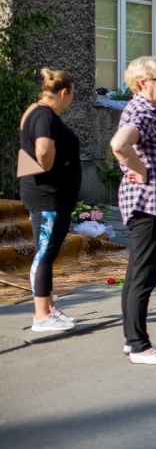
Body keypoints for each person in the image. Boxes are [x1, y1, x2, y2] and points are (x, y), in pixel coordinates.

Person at [110, 56, 156, 365]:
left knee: (138, 272)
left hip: (150, 204)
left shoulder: (144, 111)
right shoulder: (142, 112)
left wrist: (138, 168)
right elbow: (119, 144)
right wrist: (141, 170)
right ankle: (139, 346)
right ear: (143, 84)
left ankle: (132, 340)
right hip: (147, 204)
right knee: (143, 273)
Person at [19, 68, 81, 332]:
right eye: (72, 96)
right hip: (48, 197)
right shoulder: (45, 116)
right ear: (64, 92)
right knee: (44, 252)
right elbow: (43, 150)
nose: (71, 101)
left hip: (49, 195)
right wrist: (49, 167)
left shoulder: (34, 110)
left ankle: (48, 307)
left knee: (47, 251)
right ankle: (41, 316)